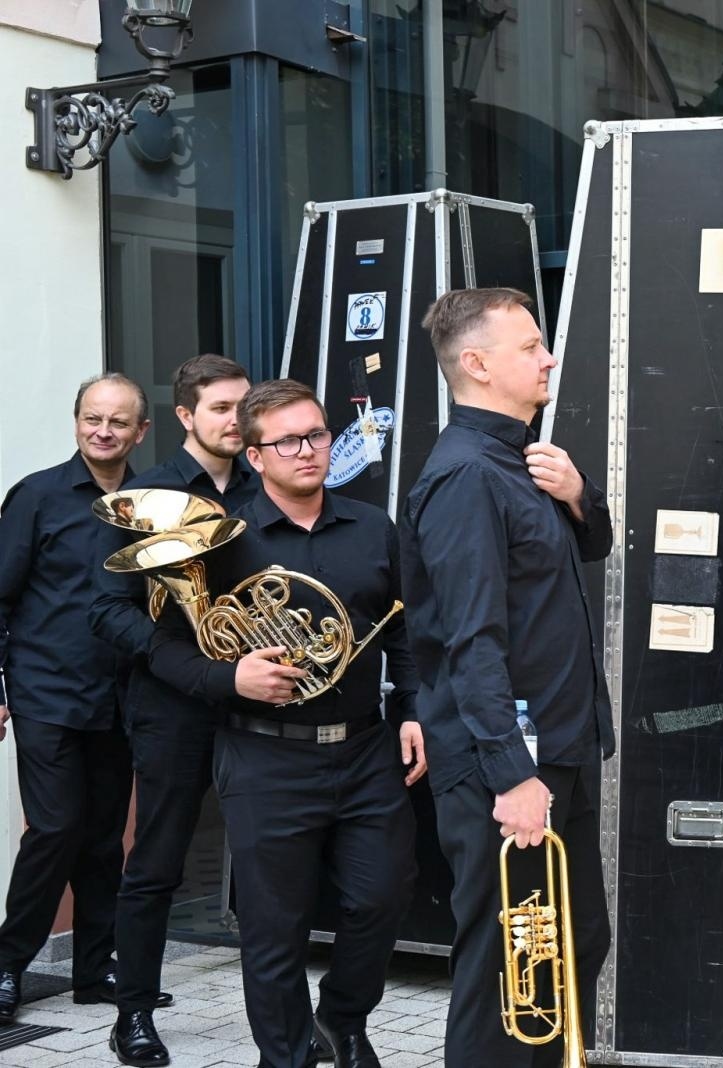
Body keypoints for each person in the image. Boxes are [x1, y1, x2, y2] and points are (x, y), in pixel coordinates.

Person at [147, 379, 426, 1068]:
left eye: (317, 434)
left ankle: (342, 1019)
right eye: (289, 441)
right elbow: (162, 648)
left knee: (382, 897)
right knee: (274, 928)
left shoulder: (373, 528)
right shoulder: (219, 542)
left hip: (364, 748)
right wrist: (230, 678)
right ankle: (286, 1057)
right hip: (263, 754)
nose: (308, 451)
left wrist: (413, 709)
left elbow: (404, 630)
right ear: (254, 454)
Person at [401, 287, 613, 1068]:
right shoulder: (465, 477)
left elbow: (590, 547)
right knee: (506, 975)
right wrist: (512, 773)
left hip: (557, 747)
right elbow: (471, 642)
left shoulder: (522, 461)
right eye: (530, 347)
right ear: (478, 364)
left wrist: (578, 495)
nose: (548, 358)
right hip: (510, 765)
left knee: (571, 946)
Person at [88, 354, 257, 1066]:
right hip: (172, 705)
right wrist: (178, 660)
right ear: (186, 415)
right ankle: (132, 1015)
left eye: (245, 407)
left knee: (271, 861)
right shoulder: (144, 495)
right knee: (157, 862)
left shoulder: (264, 487)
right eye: (220, 408)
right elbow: (105, 610)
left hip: (255, 696)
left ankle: (282, 1016)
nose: (237, 421)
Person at [0, 374, 150, 1024]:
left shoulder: (150, 504)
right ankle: (9, 963)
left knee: (103, 839)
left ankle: (95, 969)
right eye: (93, 418)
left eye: (118, 421)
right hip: (45, 690)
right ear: (77, 422)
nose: (103, 431)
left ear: (140, 431)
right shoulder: (36, 496)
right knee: (56, 828)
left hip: (119, 697)